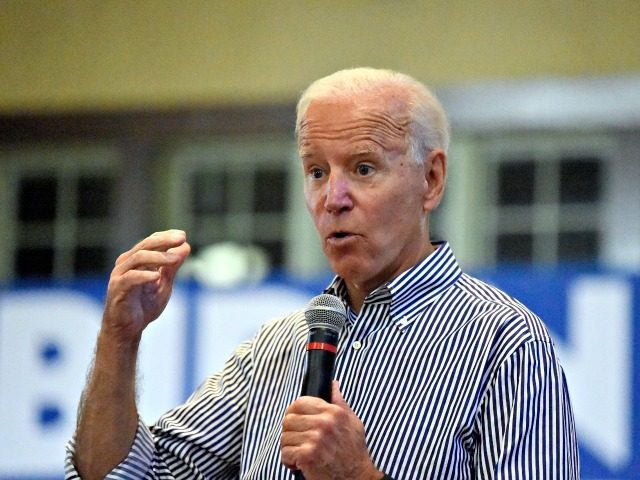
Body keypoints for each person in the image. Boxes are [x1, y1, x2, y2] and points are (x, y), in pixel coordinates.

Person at [66, 67, 579, 479]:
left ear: (432, 179)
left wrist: (354, 475)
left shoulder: (505, 342)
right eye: (316, 171)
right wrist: (119, 337)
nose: (333, 199)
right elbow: (130, 473)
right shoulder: (275, 347)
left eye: (362, 168)